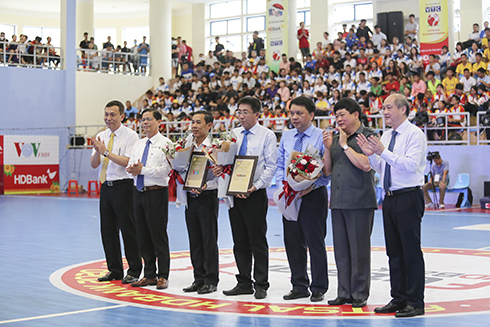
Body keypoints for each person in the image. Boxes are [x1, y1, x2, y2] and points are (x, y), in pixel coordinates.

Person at [357, 94, 427, 318]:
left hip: (408, 197)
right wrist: (372, 155)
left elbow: (409, 165)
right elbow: (383, 168)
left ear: (403, 109)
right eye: (383, 108)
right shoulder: (386, 135)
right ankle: (398, 297)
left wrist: (382, 152)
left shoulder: (414, 134)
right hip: (389, 197)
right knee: (394, 252)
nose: (384, 112)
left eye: (388, 108)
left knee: (410, 251)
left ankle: (415, 302)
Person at [214, 96, 277, 300]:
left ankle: (261, 283)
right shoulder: (233, 135)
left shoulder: (267, 135)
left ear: (257, 114)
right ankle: (243, 282)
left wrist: (255, 186)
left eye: (245, 112)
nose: (240, 116)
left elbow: (270, 166)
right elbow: (227, 161)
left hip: (255, 194)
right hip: (234, 194)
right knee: (239, 240)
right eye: (238, 112)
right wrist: (219, 167)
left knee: (257, 240)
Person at [322, 98, 377, 308]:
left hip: (360, 202)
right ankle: (343, 292)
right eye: (336, 115)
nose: (338, 119)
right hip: (337, 201)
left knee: (359, 250)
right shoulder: (336, 138)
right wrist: (328, 148)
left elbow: (365, 164)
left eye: (342, 114)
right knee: (341, 251)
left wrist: (344, 145)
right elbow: (327, 171)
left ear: (356, 114)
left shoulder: (368, 136)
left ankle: (360, 293)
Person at [276, 96, 329, 302]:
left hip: (313, 195)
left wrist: (311, 185)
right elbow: (281, 162)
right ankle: (299, 285)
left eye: (300, 113)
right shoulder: (287, 136)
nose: (295, 117)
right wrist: (284, 184)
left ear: (312, 115)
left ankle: (318, 287)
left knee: (315, 241)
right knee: (292, 240)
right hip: (290, 195)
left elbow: (326, 168)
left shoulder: (321, 136)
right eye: (292, 113)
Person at [90, 100, 142, 285]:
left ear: (122, 116)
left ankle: (134, 269)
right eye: (106, 114)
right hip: (106, 187)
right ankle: (114, 269)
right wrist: (97, 152)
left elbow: (128, 161)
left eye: (112, 114)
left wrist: (105, 152)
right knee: (108, 230)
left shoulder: (131, 136)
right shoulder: (101, 135)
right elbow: (94, 164)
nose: (108, 118)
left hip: (124, 187)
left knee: (129, 230)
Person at [126, 109, 172, 290]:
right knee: (142, 236)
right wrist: (132, 170)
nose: (145, 123)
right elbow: (131, 164)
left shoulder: (166, 144)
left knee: (158, 235)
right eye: (143, 120)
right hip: (138, 192)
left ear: (159, 121)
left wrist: (142, 170)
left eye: (149, 119)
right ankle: (150, 274)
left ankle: (163, 275)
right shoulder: (138, 144)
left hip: (156, 193)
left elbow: (166, 171)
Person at [181, 110, 220, 294]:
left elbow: (221, 174)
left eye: (198, 122)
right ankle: (198, 278)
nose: (194, 126)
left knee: (208, 240)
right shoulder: (186, 144)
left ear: (209, 125)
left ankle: (211, 280)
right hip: (190, 197)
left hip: (207, 197)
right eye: (192, 122)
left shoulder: (216, 147)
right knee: (194, 239)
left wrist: (207, 185)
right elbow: (179, 168)